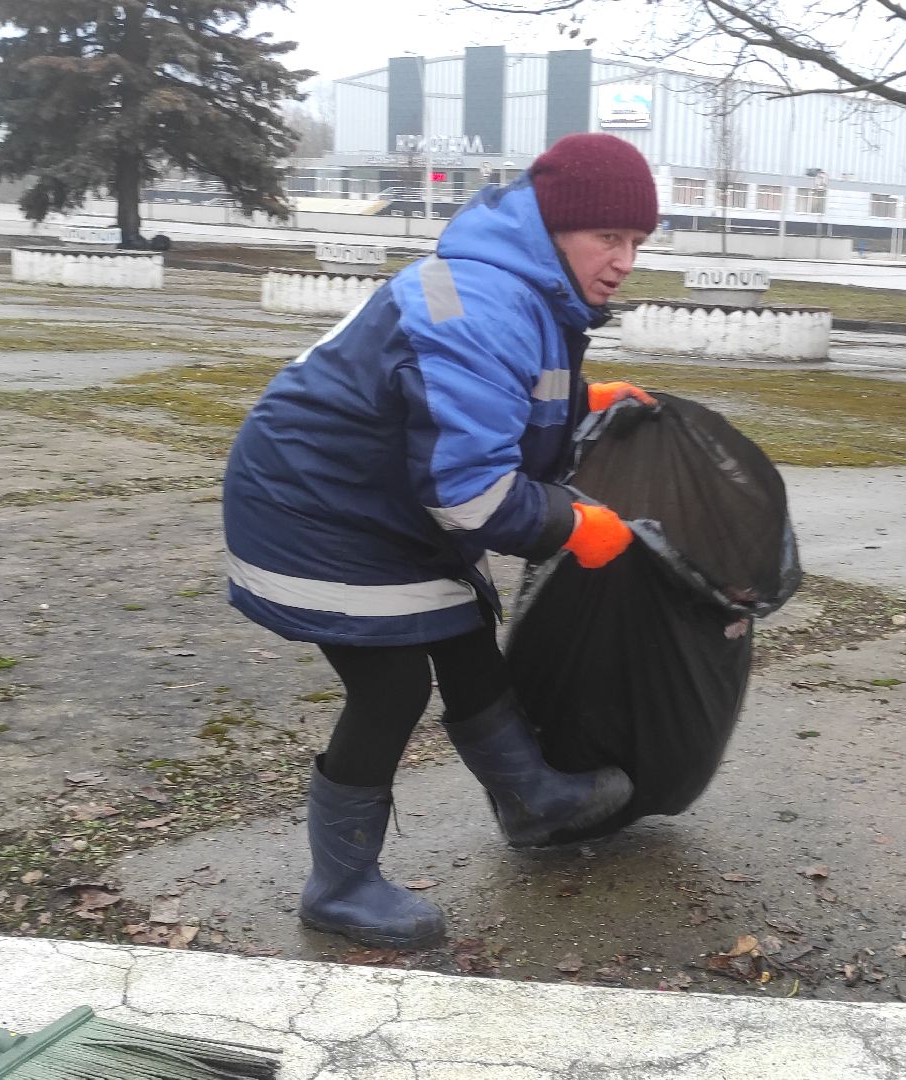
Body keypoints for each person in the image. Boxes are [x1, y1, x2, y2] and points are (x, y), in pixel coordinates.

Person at [220, 133, 659, 948]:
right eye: (609, 236)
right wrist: (576, 526)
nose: (624, 260)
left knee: (462, 633)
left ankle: (531, 798)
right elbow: (470, 491)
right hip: (311, 507)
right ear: (554, 225)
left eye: (637, 241)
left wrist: (585, 401)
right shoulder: (479, 305)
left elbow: (490, 397)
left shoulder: (520, 288)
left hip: (373, 497)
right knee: (389, 687)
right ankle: (339, 885)